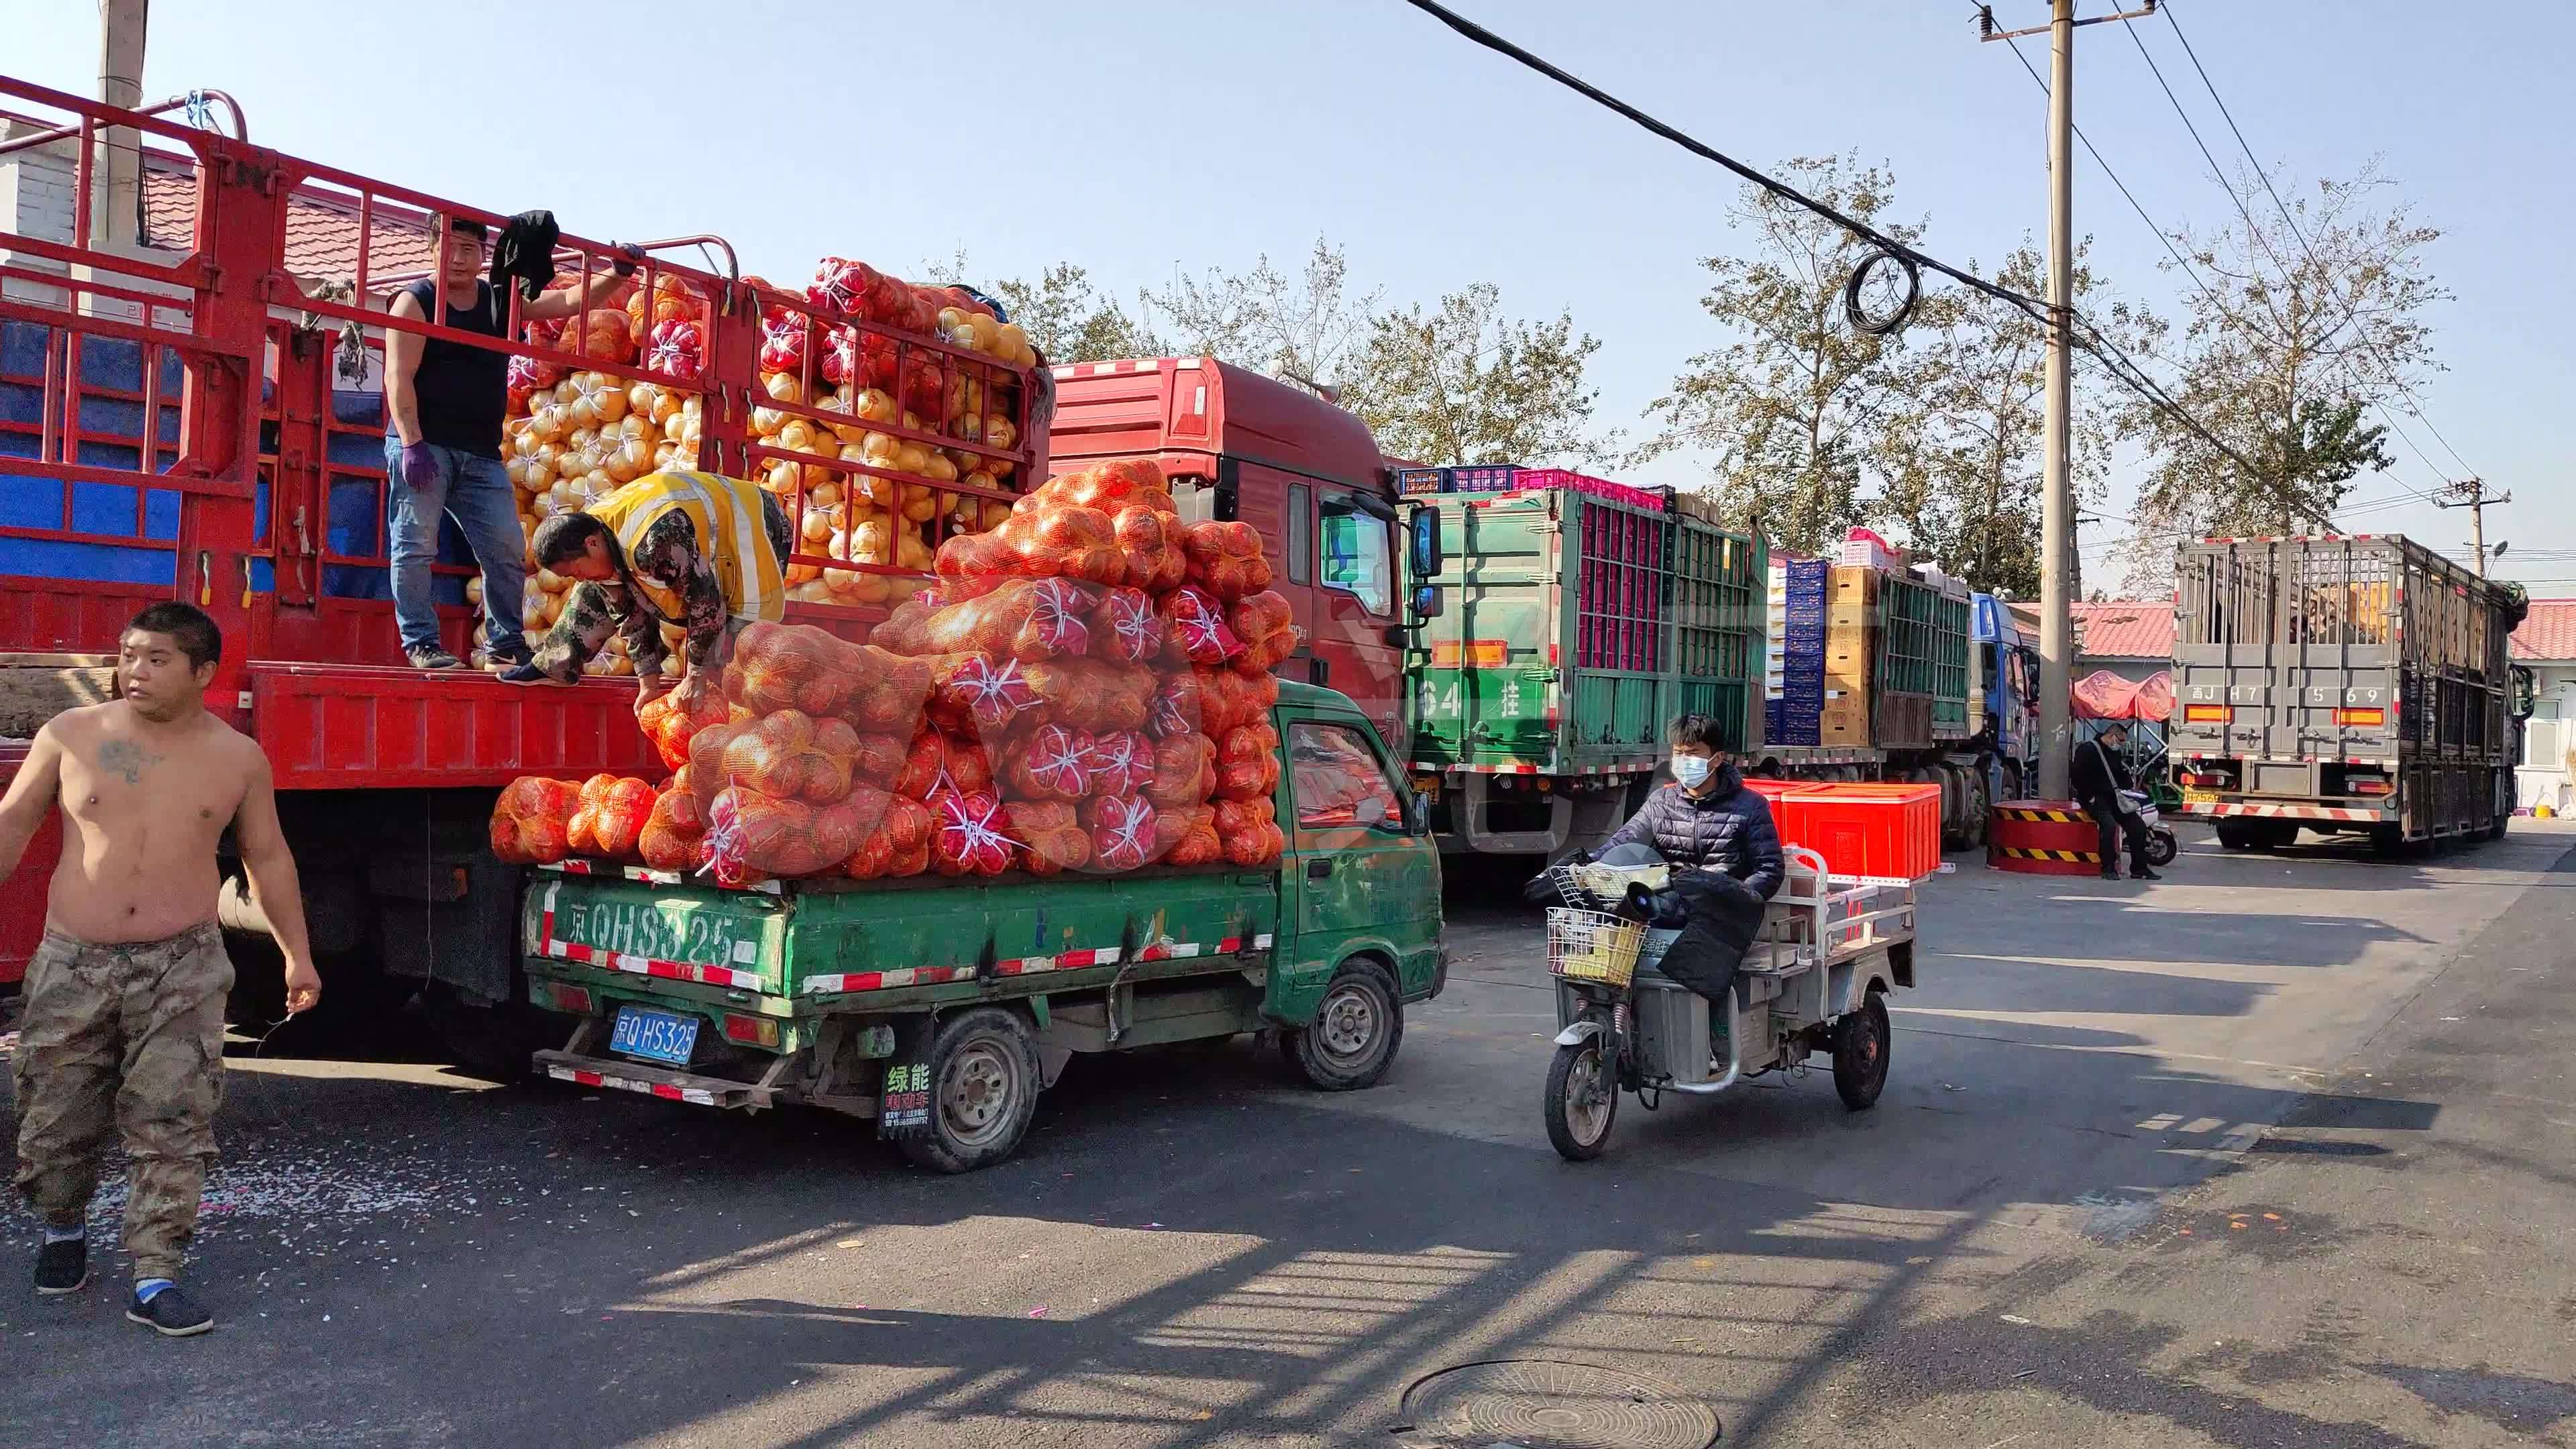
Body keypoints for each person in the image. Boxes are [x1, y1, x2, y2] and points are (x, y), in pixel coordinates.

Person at [0, 602, 320, 1338]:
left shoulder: (237, 758)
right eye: (127, 655)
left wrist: (296, 952)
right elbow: (13, 825)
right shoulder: (71, 736)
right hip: (73, 960)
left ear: (203, 672)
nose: (133, 671)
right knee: (54, 1119)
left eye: (156, 659)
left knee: (174, 1118)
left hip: (184, 964)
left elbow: (265, 857)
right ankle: (62, 1228)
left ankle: (155, 1272)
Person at [381, 215, 635, 672]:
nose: (459, 258)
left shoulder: (497, 301)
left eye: (469, 249)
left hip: (479, 452)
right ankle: (421, 642)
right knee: (415, 546)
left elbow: (568, 302)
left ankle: (505, 641)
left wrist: (617, 274)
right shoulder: (414, 303)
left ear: (484, 255)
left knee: (507, 549)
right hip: (425, 446)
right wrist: (411, 443)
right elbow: (397, 377)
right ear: (433, 247)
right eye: (450, 246)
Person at [503, 469, 790, 715]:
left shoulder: (654, 543)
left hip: (755, 523)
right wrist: (649, 683)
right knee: (593, 591)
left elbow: (705, 605)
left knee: (740, 643)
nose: (578, 578)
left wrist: (696, 674)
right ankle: (555, 664)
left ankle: (745, 731)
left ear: (592, 544)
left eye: (576, 571)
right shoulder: (591, 532)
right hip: (690, 530)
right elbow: (627, 614)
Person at [1598, 713, 1785, 1014]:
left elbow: (1770, 868)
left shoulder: (1750, 807)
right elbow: (1626, 840)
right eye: (1678, 752)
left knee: (1697, 979)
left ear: (1717, 758)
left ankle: (1709, 1046)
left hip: (1718, 912)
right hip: (1669, 902)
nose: (1684, 760)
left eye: (1693, 752)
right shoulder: (1662, 801)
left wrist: (1740, 897)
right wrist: (1588, 864)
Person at [2073, 721, 2160, 881]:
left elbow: (2119, 774)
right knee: (2109, 826)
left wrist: (2132, 787)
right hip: (2095, 799)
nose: (2121, 745)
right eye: (2121, 741)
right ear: (2112, 736)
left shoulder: (2115, 753)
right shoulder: (2088, 749)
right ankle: (2108, 868)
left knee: (2138, 827)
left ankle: (2139, 868)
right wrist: (2089, 797)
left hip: (2114, 798)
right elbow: (2077, 775)